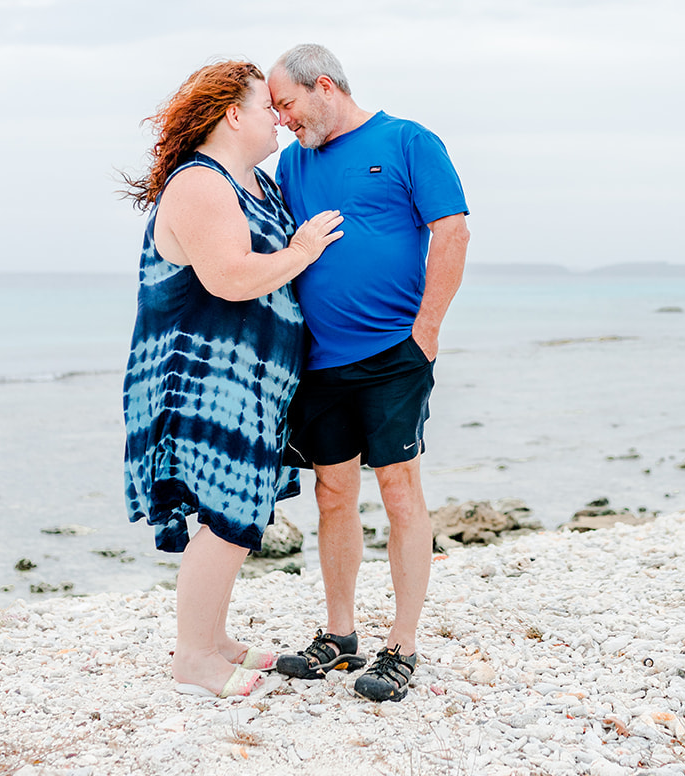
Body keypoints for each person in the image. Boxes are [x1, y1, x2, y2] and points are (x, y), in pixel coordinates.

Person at [121, 59, 344, 699]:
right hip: (200, 375)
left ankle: (214, 639)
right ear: (232, 114)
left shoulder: (254, 184)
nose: (277, 114)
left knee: (241, 510)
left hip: (251, 379)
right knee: (228, 515)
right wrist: (302, 251)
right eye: (265, 104)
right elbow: (230, 277)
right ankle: (193, 656)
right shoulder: (200, 183)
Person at [267, 44, 470, 702]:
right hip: (320, 361)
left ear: (323, 85)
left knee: (400, 492)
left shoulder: (408, 141)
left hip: (393, 353)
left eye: (287, 105)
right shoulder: (294, 163)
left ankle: (402, 645)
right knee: (332, 494)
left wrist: (427, 331)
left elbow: (452, 231)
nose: (282, 121)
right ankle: (340, 633)